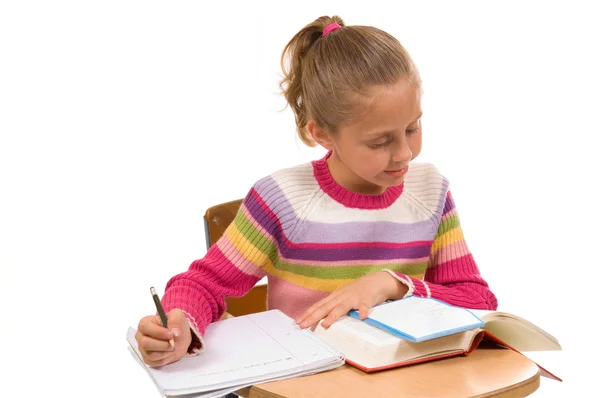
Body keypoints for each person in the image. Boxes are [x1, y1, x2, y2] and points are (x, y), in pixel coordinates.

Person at [135, 15, 498, 367]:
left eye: (413, 127)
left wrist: (392, 283)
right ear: (322, 134)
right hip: (308, 384)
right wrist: (180, 322)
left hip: (405, 382)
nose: (404, 153)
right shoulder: (283, 200)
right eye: (380, 141)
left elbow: (479, 301)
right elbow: (204, 283)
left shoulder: (430, 192)